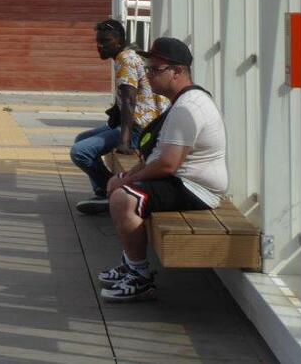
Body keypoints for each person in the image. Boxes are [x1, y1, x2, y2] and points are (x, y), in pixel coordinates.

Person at [98, 37, 228, 302]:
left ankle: (139, 276)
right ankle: (129, 262)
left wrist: (128, 180)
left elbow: (168, 164)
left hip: (197, 189)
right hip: (183, 181)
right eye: (148, 69)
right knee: (119, 185)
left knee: (124, 198)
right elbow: (160, 155)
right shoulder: (182, 102)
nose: (148, 76)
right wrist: (125, 176)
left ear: (178, 71)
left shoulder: (188, 108)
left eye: (156, 70)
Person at [71, 19, 168, 215]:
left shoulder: (126, 60)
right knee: (82, 139)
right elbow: (127, 96)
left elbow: (130, 101)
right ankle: (101, 192)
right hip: (138, 124)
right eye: (98, 41)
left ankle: (112, 192)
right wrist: (115, 110)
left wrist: (124, 141)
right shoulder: (124, 57)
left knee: (80, 152)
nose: (100, 45)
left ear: (119, 41)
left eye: (105, 41)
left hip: (139, 129)